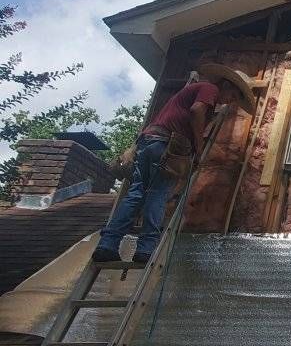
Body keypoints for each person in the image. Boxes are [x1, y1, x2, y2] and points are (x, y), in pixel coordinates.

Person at [93, 65, 254, 264]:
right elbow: (196, 110)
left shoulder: (193, 92)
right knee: (157, 195)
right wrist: (198, 146)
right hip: (165, 146)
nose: (230, 101)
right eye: (233, 96)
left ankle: (107, 244)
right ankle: (145, 249)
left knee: (136, 194)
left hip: (148, 142)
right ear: (227, 85)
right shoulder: (209, 89)